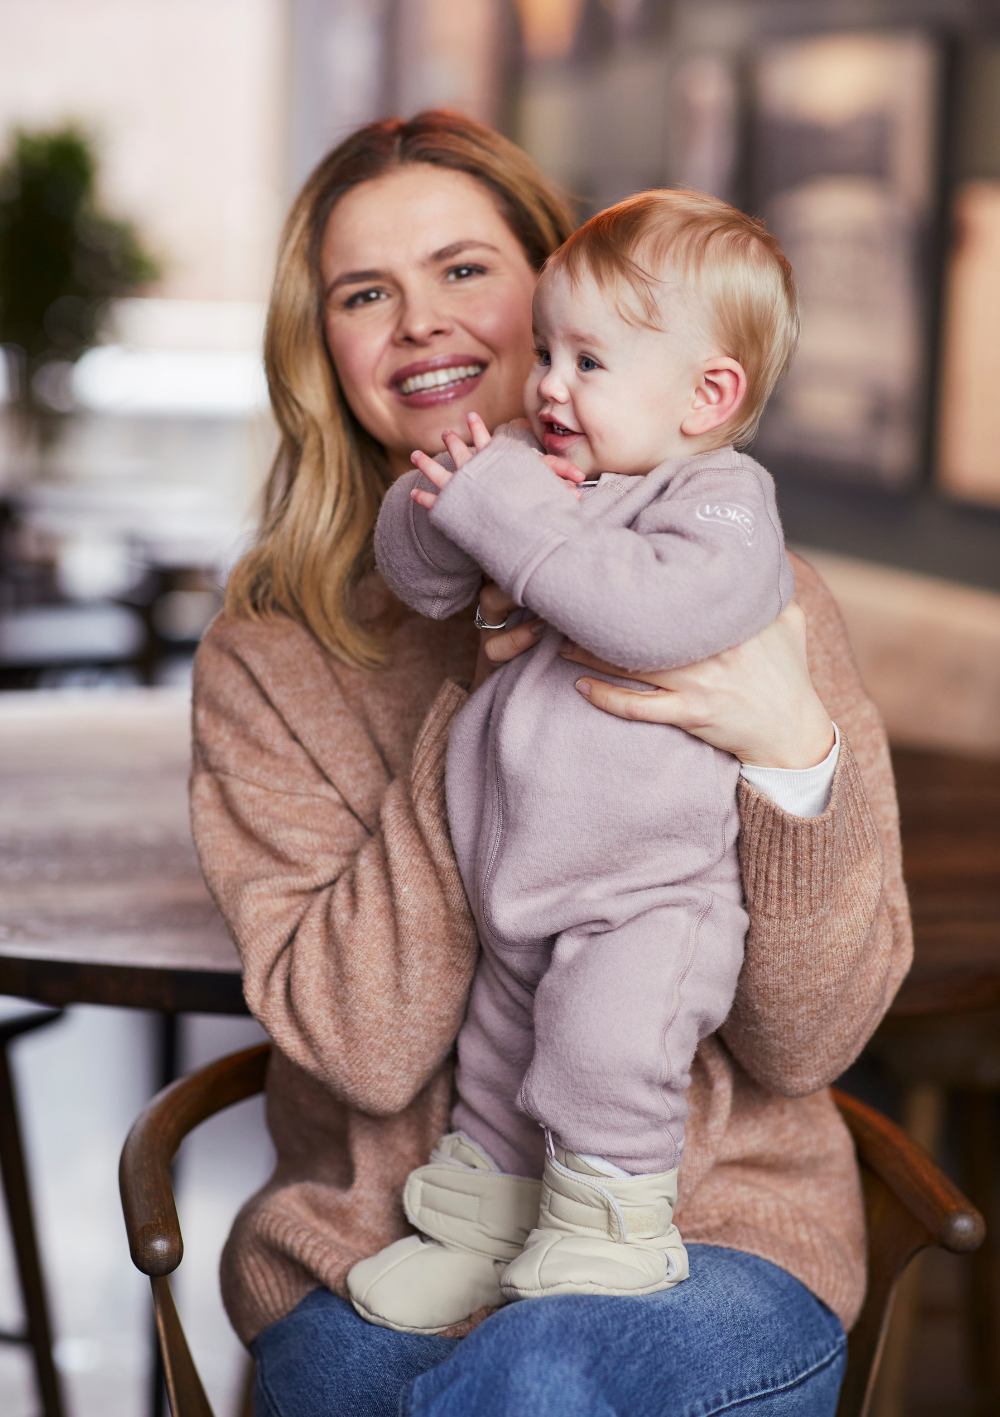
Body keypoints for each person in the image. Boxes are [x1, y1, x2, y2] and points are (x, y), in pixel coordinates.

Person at [190, 110, 911, 1417]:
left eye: (466, 269)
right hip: (375, 1248)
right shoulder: (268, 655)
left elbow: (811, 1038)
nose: (420, 322)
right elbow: (361, 1046)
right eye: (367, 292)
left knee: (544, 1374)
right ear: (327, 349)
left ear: (561, 286)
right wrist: (498, 675)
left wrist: (788, 749)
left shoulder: (743, 590)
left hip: (718, 1246)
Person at [350, 188, 801, 1334]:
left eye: (586, 361)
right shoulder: (538, 471)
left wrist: (513, 516)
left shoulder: (724, 507)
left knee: (604, 1055)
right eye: (546, 351)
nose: (547, 385)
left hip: (647, 897)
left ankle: (613, 1230)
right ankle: (484, 1228)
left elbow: (637, 617)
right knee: (499, 1071)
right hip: (520, 883)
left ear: (709, 394)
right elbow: (429, 578)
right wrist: (436, 491)